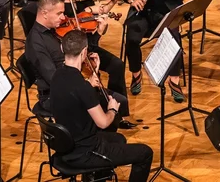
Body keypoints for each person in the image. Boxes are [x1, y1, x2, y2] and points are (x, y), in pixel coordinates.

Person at [51, 30, 153, 182]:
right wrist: (112, 109)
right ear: (85, 52)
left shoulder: (57, 76)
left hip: (67, 146)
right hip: (87, 152)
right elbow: (103, 122)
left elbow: (77, 95)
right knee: (145, 153)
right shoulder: (82, 87)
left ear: (61, 49)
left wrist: (93, 77)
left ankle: (95, 178)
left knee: (118, 139)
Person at [50, 0, 135, 128]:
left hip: (88, 44)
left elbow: (100, 10)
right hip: (72, 51)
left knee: (117, 65)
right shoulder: (56, 2)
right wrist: (98, 32)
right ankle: (97, 111)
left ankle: (118, 113)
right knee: (93, 74)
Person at [25, 0, 131, 127]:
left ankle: (101, 138)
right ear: (45, 13)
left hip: (72, 86)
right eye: (59, 13)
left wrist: (97, 33)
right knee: (116, 103)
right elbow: (55, 80)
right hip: (56, 97)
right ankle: (97, 140)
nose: (63, 17)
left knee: (119, 101)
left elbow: (79, 50)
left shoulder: (54, 31)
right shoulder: (36, 43)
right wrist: (87, 84)